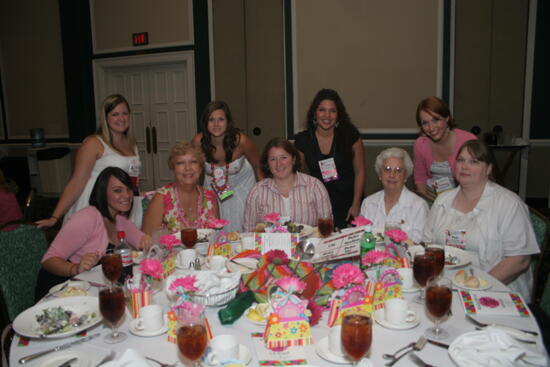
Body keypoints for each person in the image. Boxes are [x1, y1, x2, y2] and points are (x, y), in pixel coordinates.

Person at [423, 140, 539, 301]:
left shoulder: (508, 203)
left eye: (474, 161)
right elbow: (428, 244)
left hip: (496, 294)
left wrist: (476, 287)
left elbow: (519, 260)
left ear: (489, 169)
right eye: (461, 160)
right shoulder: (442, 201)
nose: (465, 166)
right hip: (447, 290)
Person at [37, 167, 151, 299]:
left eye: (128, 189)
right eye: (117, 190)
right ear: (102, 193)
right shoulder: (87, 218)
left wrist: (146, 240)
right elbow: (48, 260)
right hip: (61, 292)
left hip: (91, 292)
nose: (126, 195)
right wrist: (75, 268)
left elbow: (143, 241)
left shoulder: (119, 219)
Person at [36, 94, 142, 228]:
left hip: (126, 204)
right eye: (115, 114)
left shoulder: (131, 144)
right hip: (97, 206)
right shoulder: (93, 143)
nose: (121, 118)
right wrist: (55, 217)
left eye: (125, 113)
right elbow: (76, 182)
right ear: (105, 117)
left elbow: (133, 179)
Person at [294, 88, 365, 229]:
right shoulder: (303, 140)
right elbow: (296, 175)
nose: (327, 115)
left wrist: (356, 204)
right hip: (318, 204)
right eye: (322, 110)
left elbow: (360, 172)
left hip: (348, 204)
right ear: (314, 113)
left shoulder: (350, 136)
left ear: (338, 115)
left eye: (332, 110)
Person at [191, 101, 263, 232]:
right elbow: (193, 172)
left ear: (228, 122)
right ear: (205, 123)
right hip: (212, 189)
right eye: (211, 120)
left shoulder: (241, 141)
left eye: (221, 119)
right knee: (213, 231)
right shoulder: (198, 142)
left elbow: (258, 167)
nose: (216, 124)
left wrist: (263, 197)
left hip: (242, 188)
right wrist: (194, 196)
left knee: (242, 230)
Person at [244, 138, 332, 231]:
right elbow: (248, 232)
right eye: (273, 159)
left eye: (284, 157)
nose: (279, 164)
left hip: (310, 244)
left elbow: (326, 228)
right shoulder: (257, 192)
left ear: (293, 159)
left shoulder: (315, 187)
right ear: (267, 164)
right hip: (271, 245)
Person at [142, 141, 219, 234]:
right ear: (173, 169)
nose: (187, 168)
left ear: (201, 167)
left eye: (193, 162)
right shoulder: (160, 199)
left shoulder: (210, 198)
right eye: (180, 163)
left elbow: (216, 238)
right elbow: (148, 241)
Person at [360, 148, 428, 242]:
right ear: (380, 174)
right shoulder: (368, 203)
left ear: (405, 176)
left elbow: (421, 245)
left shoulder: (419, 206)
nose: (392, 174)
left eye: (398, 170)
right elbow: (360, 240)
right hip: (371, 256)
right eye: (387, 169)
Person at [413, 96, 476, 198]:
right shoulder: (420, 144)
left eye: (436, 120)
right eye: (425, 123)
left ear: (447, 118)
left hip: (464, 198)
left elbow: (477, 180)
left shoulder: (468, 141)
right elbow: (420, 179)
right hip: (432, 199)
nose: (431, 128)